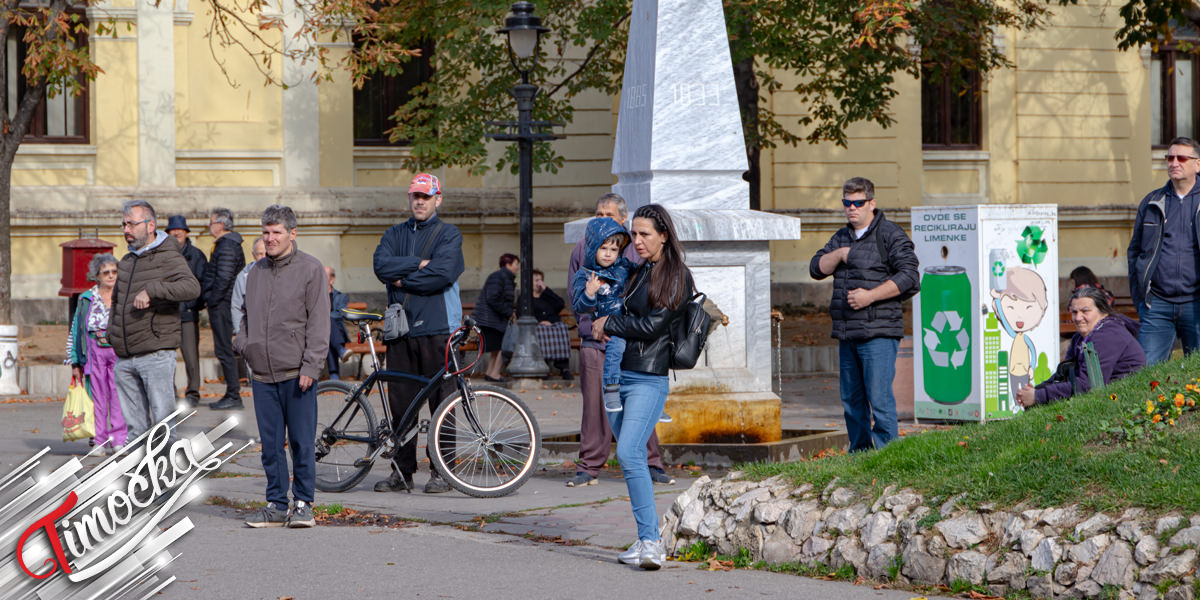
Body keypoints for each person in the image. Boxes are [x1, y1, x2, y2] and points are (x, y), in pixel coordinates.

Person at [593, 204, 692, 571]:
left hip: (648, 377)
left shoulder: (677, 274)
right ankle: (645, 537)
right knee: (631, 459)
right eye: (633, 234)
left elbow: (653, 327)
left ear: (664, 234)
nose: (636, 241)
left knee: (631, 453)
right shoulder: (640, 270)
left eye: (644, 234)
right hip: (616, 374)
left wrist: (610, 323)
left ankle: (652, 543)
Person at [565, 193, 672, 488]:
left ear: (623, 219)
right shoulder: (582, 248)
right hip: (594, 341)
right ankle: (589, 466)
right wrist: (590, 328)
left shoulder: (634, 250)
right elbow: (575, 295)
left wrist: (627, 327)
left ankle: (650, 463)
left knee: (638, 402)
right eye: (598, 214)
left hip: (630, 341)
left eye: (609, 215)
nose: (602, 219)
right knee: (595, 408)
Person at [235, 204, 330, 529]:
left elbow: (319, 323)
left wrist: (311, 366)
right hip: (262, 374)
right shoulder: (256, 272)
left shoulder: (311, 269)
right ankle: (276, 504)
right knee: (271, 446)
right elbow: (246, 315)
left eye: (276, 232)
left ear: (292, 233)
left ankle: (303, 504)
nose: (270, 238)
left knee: (302, 443)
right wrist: (244, 345)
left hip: (297, 374)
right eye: (266, 232)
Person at [809, 177, 919, 453]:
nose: (851, 208)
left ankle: (886, 455)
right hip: (848, 333)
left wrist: (870, 296)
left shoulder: (890, 234)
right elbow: (816, 267)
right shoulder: (841, 237)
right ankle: (859, 455)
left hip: (879, 334)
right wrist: (841, 254)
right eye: (847, 203)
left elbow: (910, 277)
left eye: (858, 203)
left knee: (879, 398)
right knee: (851, 400)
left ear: (872, 203)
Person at [371, 172, 465, 494]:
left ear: (438, 199)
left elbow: (441, 275)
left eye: (426, 196)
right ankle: (402, 471)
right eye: (415, 196)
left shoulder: (449, 234)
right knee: (401, 406)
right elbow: (381, 266)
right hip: (400, 332)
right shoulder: (394, 233)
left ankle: (443, 472)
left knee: (443, 405)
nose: (420, 201)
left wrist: (401, 278)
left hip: (438, 329)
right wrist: (418, 264)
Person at [109, 199, 201, 443]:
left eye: (131, 224)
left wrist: (153, 289)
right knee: (135, 432)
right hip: (125, 357)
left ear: (150, 226)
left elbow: (192, 287)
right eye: (123, 224)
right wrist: (112, 335)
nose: (126, 230)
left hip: (155, 355)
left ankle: (168, 477)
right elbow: (117, 302)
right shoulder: (127, 261)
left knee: (163, 427)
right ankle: (139, 478)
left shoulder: (168, 255)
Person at [571, 217, 671, 423]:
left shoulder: (623, 266)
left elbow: (643, 274)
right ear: (592, 249)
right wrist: (590, 294)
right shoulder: (586, 275)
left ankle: (653, 402)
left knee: (651, 352)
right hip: (611, 327)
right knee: (616, 349)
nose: (608, 254)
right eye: (603, 248)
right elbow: (580, 307)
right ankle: (611, 388)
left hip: (629, 321)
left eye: (614, 250)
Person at [1128, 137, 1200, 364]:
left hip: (1197, 303)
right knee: (1146, 373)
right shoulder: (1152, 202)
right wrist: (1141, 297)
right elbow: (1135, 251)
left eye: (1181, 158)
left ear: (1197, 164)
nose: (1174, 162)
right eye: (1169, 157)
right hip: (1157, 305)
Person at [1017, 287, 1146, 407]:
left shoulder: (1108, 335)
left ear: (1103, 312)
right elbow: (1065, 374)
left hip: (1121, 403)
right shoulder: (1080, 338)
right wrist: (1036, 390)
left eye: (1085, 311)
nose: (1078, 318)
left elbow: (1089, 386)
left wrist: (1038, 396)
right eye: (1074, 312)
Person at [65, 253, 127, 453]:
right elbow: (76, 330)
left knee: (119, 397)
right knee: (96, 398)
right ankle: (99, 440)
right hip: (94, 351)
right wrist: (75, 362)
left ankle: (119, 439)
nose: (111, 276)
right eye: (105, 272)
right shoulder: (86, 298)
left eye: (114, 272)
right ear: (97, 276)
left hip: (118, 350)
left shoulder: (124, 295)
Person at [204, 207, 247, 410]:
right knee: (222, 348)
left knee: (224, 349)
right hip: (222, 302)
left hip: (223, 304)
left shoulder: (227, 245)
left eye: (212, 222)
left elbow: (224, 277)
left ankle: (233, 395)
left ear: (221, 225)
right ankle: (232, 393)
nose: (209, 226)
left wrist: (212, 299)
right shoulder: (225, 244)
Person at [166, 215, 207, 408]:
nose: (176, 233)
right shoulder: (164, 254)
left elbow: (202, 282)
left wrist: (193, 304)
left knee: (191, 355)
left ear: (186, 233)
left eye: (179, 230)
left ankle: (193, 392)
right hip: (167, 312)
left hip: (188, 312)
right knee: (167, 355)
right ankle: (170, 392)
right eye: (172, 230)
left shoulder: (196, 255)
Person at [473, 253, 518, 382]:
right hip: (491, 320)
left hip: (493, 319)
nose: (517, 267)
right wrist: (509, 312)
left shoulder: (503, 277)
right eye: (516, 264)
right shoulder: (499, 277)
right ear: (508, 264)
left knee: (497, 348)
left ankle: (490, 372)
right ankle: (495, 373)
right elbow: (493, 298)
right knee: (502, 347)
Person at [531, 269, 571, 379]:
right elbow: (522, 313)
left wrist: (546, 289)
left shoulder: (547, 296)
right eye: (536, 280)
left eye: (540, 280)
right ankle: (544, 367)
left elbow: (560, 304)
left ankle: (564, 368)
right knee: (542, 331)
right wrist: (540, 322)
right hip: (538, 327)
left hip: (553, 326)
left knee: (562, 328)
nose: (539, 282)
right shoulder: (527, 298)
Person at [232, 236, 267, 336]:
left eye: (266, 253)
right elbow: (236, 306)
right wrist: (240, 334)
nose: (264, 257)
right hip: (252, 332)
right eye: (260, 254)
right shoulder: (243, 277)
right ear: (253, 255)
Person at [326, 265, 351, 380]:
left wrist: (325, 317)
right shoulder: (315, 295)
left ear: (332, 279)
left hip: (338, 331)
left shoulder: (341, 297)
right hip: (320, 330)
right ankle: (341, 351)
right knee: (326, 323)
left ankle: (334, 374)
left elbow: (341, 314)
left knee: (328, 322)